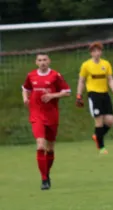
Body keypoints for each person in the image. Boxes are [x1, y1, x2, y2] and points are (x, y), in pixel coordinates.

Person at [21, 52, 71, 190]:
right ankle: (44, 179)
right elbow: (25, 88)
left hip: (51, 115)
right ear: (36, 62)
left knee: (50, 148)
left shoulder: (55, 75)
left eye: (44, 60)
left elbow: (67, 92)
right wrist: (25, 98)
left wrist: (52, 95)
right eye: (39, 60)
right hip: (36, 114)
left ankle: (46, 173)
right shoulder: (31, 75)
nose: (42, 62)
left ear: (49, 61)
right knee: (40, 145)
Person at [76, 42, 113, 155]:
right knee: (99, 121)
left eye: (99, 51)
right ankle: (101, 147)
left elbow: (110, 79)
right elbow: (81, 81)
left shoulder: (106, 64)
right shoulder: (86, 65)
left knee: (110, 121)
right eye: (94, 51)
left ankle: (97, 136)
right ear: (91, 53)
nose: (97, 53)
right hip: (93, 95)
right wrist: (79, 95)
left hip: (105, 94)